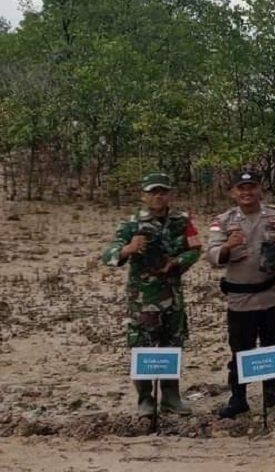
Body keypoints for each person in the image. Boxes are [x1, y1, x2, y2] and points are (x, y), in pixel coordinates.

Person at [102, 172, 202, 418]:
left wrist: (177, 262)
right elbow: (109, 256)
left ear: (169, 194)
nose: (158, 196)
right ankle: (145, 399)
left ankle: (171, 397)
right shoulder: (131, 224)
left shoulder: (182, 221)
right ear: (143, 195)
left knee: (173, 345)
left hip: (172, 296)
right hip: (144, 300)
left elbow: (196, 248)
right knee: (142, 348)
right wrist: (129, 249)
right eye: (152, 192)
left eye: (162, 191)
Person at [206, 169, 275, 418]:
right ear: (233, 193)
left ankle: (272, 390)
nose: (247, 193)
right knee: (240, 349)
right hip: (240, 300)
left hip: (271, 295)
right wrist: (227, 246)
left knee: (273, 344)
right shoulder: (223, 221)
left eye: (252, 187)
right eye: (241, 189)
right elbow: (212, 256)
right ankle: (239, 397)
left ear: (259, 190)